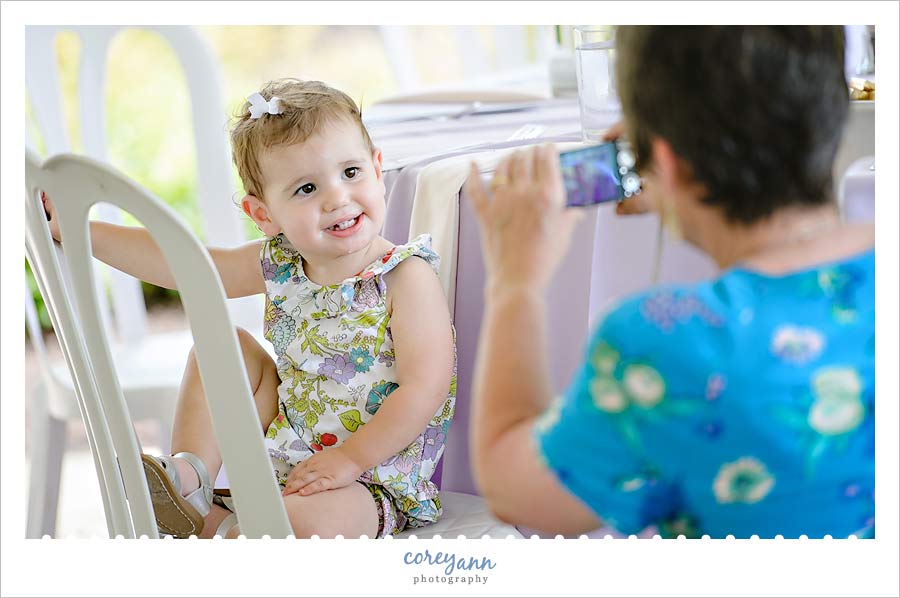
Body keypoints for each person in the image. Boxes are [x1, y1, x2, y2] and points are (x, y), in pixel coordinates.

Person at [465, 26, 873, 539]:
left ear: (665, 163)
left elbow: (514, 490)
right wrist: (669, 173)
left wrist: (514, 281)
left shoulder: (666, 342)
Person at [43, 78, 456, 539]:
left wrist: (349, 459)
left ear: (378, 171)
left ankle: (227, 534)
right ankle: (192, 479)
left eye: (351, 173)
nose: (337, 197)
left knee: (310, 523)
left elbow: (425, 389)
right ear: (263, 215)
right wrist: (80, 228)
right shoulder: (280, 262)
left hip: (370, 479)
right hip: (283, 451)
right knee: (222, 348)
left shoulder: (403, 275)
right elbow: (186, 265)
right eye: (305, 189)